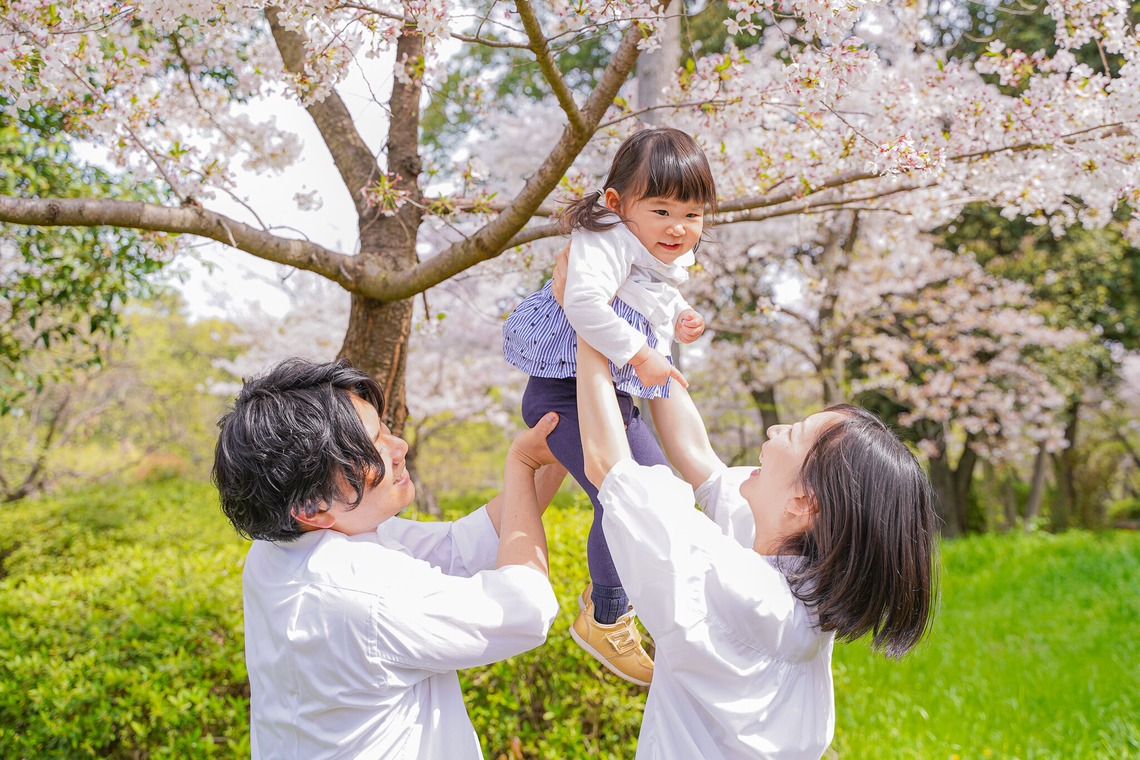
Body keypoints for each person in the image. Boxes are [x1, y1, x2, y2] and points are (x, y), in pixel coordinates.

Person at [574, 337, 939, 758]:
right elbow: (698, 458)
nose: (774, 429)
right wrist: (648, 337)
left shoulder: (744, 594)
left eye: (793, 433)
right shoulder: (792, 567)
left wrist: (592, 315)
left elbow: (607, 465)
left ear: (803, 502)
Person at [212, 358, 566, 759]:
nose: (400, 448)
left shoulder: (284, 545)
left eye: (385, 429)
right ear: (311, 506)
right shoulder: (364, 595)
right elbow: (526, 606)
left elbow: (461, 546)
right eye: (371, 448)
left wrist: (558, 448)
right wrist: (522, 464)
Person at [502, 126, 718, 686]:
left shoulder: (650, 247)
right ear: (619, 205)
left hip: (605, 393)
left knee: (655, 489)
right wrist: (644, 354)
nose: (678, 227)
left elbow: (650, 295)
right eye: (663, 209)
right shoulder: (602, 240)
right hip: (561, 393)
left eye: (692, 215)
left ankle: (610, 600)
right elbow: (585, 305)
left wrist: (681, 321)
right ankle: (607, 614)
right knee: (627, 493)